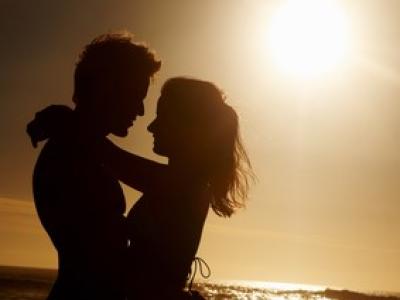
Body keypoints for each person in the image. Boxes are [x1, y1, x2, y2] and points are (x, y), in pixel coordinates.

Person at [28, 32, 161, 300]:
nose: (141, 111)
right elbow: (99, 260)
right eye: (136, 96)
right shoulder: (70, 154)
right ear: (108, 91)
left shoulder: (81, 148)